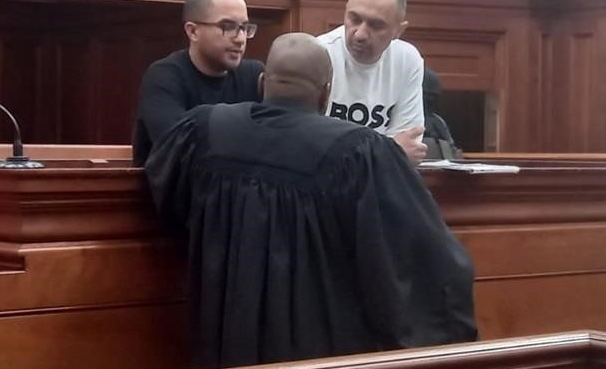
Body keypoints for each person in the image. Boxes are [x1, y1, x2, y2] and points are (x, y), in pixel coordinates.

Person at [146, 32, 478, 368]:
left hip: (223, 334)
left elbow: (169, 199)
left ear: (262, 83)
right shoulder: (359, 152)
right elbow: (421, 260)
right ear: (326, 93)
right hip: (317, 344)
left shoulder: (204, 129)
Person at [132, 0, 262, 166]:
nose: (240, 38)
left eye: (245, 28)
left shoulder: (255, 75)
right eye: (227, 26)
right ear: (193, 31)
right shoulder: (163, 77)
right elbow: (177, 146)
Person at [317, 0, 427, 163]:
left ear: (398, 30)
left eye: (376, 26)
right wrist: (388, 152)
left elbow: (409, 144)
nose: (360, 34)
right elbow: (312, 146)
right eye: (354, 19)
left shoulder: (408, 59)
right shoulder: (318, 53)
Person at [422, 67, 461, 161]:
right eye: (427, 96)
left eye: (432, 97)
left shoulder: (438, 121)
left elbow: (452, 150)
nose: (429, 100)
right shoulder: (403, 117)